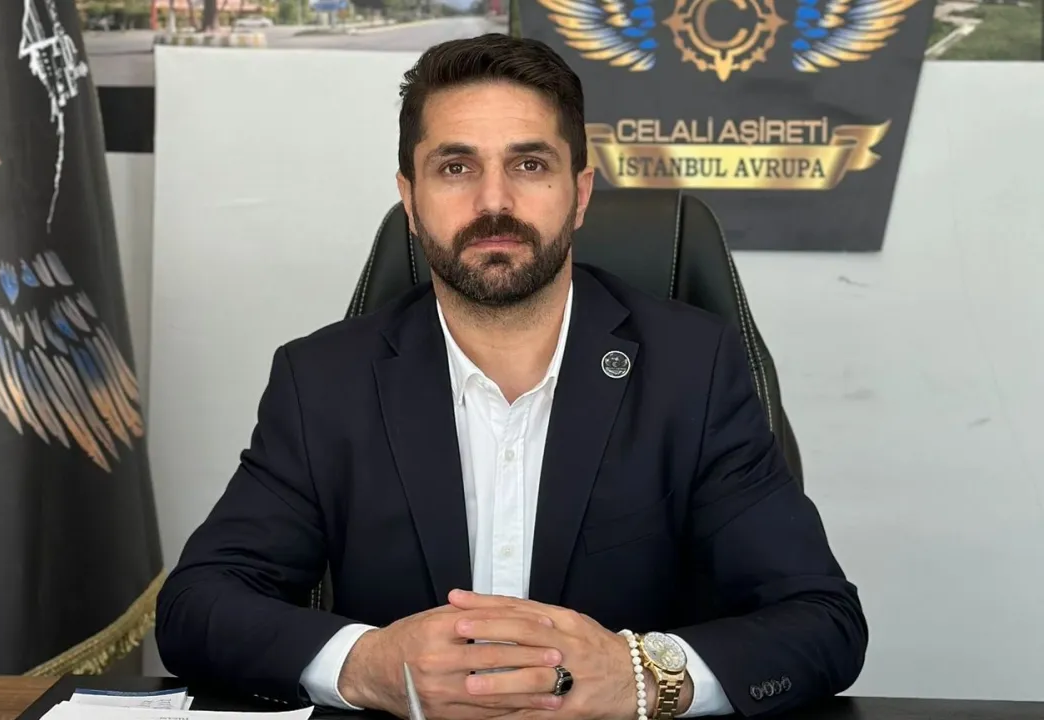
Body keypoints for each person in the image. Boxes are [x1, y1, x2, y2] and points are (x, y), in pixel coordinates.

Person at [156, 33, 867, 720]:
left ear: (579, 193)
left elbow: (822, 620)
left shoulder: (693, 370)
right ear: (410, 199)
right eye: (455, 167)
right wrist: (370, 664)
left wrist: (640, 677)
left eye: (529, 164)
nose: (493, 202)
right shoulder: (323, 381)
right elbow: (199, 604)